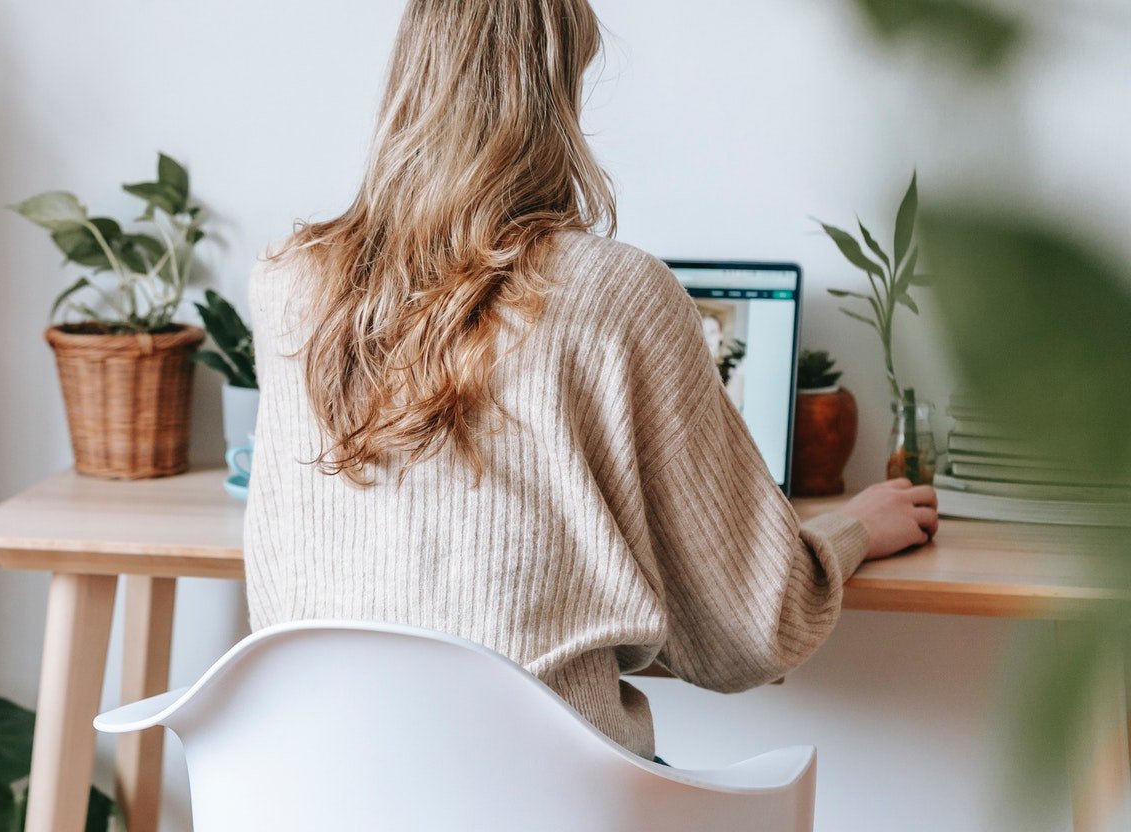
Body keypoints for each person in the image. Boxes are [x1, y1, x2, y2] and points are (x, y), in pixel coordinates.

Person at [243, 0, 938, 761]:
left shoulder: (289, 287)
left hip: (317, 790)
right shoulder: (618, 294)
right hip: (544, 799)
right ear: (560, 95)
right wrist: (854, 527)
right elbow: (752, 630)